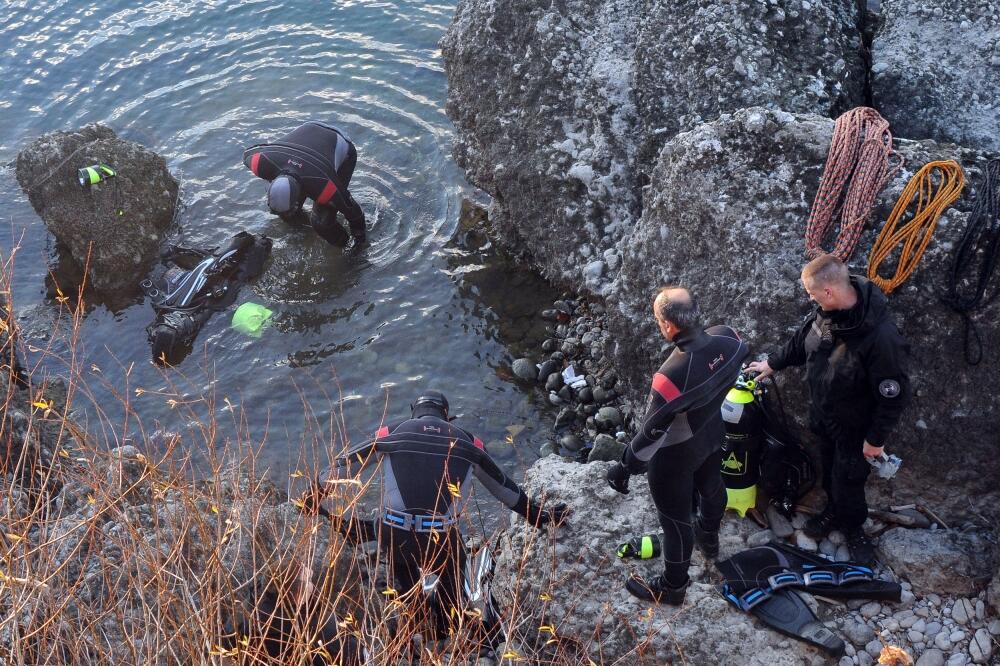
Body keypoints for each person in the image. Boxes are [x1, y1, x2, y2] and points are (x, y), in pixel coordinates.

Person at [320, 390, 568, 654]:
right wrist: (541, 517)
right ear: (447, 416)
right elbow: (505, 490)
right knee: (452, 579)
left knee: (402, 573)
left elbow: (340, 470)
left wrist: (311, 499)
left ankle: (412, 620)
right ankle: (443, 628)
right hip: (439, 538)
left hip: (394, 532)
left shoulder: (390, 432)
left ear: (413, 410)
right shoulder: (469, 441)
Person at [746, 254, 910, 567]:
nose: (810, 299)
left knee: (849, 477)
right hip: (824, 416)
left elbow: (893, 396)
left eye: (812, 293)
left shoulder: (881, 338)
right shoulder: (826, 314)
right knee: (829, 468)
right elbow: (802, 343)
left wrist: (875, 440)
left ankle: (853, 527)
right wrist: (772, 363)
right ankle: (833, 511)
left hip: (856, 427)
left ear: (830, 292)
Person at [606, 287, 749, 604]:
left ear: (668, 326)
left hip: (675, 456)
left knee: (674, 522)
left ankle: (673, 587)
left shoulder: (670, 376)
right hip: (712, 432)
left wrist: (626, 465)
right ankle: (709, 537)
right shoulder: (729, 338)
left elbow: (651, 432)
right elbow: (738, 357)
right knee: (712, 486)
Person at [243, 121, 367, 246]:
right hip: (308, 129)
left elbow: (352, 210)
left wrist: (359, 241)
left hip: (341, 143)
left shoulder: (324, 187)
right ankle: (305, 234)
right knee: (287, 215)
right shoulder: (259, 162)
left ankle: (343, 245)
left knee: (321, 223)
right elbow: (248, 152)